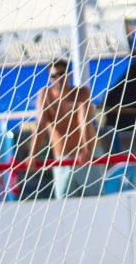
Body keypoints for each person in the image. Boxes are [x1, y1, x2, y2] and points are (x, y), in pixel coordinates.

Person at [27, 57, 102, 199]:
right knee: (64, 208)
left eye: (61, 74)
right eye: (54, 76)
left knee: (96, 203)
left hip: (87, 155)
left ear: (69, 75)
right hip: (63, 159)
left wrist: (86, 150)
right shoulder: (45, 95)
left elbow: (84, 122)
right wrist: (33, 155)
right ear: (49, 79)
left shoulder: (81, 93)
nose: (58, 79)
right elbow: (40, 126)